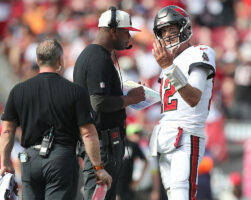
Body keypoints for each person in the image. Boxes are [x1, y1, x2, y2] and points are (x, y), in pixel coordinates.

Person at [0, 39, 112, 200]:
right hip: (62, 158)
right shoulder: (75, 91)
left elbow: (7, 130)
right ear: (60, 60)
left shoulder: (18, 90)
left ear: (38, 61)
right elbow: (88, 134)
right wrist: (98, 167)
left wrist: (5, 163)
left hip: (29, 159)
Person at [73, 7, 145, 200]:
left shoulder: (98, 55)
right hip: (102, 145)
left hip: (103, 143)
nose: (128, 36)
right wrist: (131, 99)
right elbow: (99, 102)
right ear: (112, 30)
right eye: (126, 31)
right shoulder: (98, 58)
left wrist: (127, 94)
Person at [149, 5, 216, 200]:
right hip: (164, 135)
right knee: (172, 195)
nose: (167, 35)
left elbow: (193, 97)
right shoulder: (168, 63)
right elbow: (172, 103)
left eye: (171, 29)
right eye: (163, 31)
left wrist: (168, 67)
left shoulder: (200, 51)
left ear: (184, 28)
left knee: (183, 194)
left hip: (185, 134)